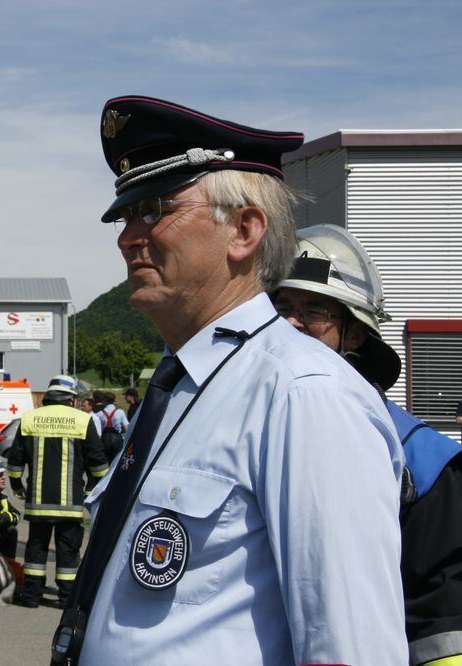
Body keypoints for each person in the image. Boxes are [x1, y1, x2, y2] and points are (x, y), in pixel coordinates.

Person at [52, 96, 406, 664]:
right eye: (126, 216)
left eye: (156, 210)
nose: (127, 238)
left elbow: (351, 644)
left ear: (244, 230)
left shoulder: (303, 392)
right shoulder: (183, 384)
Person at [274, 224, 462, 665]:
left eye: (313, 310)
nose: (289, 322)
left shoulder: (423, 461)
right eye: (280, 306)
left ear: (356, 335)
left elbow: (445, 629)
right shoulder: (239, 430)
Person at [7, 375, 108, 609]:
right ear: (71, 399)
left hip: (38, 503)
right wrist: (93, 489)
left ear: (49, 396)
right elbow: (99, 464)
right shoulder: (83, 421)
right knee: (68, 553)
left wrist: (16, 486)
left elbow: (15, 462)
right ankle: (66, 598)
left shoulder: (30, 419)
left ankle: (32, 596)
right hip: (70, 504)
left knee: (36, 550)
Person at [94, 391, 128, 459]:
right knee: (116, 460)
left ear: (105, 400)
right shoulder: (120, 412)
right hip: (117, 438)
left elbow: (97, 430)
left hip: (105, 439)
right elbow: (126, 427)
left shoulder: (99, 414)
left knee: (106, 460)